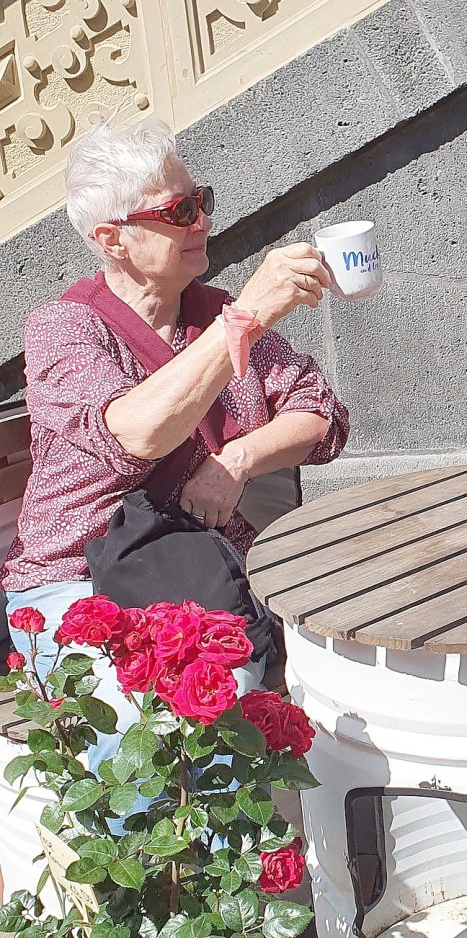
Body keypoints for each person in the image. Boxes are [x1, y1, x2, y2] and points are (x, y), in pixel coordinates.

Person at [1, 118, 350, 771]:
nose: (202, 223)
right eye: (179, 210)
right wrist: (243, 321)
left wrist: (237, 460)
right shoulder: (63, 329)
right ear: (113, 240)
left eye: (202, 201)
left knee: (339, 670)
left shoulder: (210, 314)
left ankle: (251, 863)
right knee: (157, 712)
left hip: (196, 571)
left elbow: (320, 415)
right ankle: (166, 869)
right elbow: (133, 434)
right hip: (74, 580)